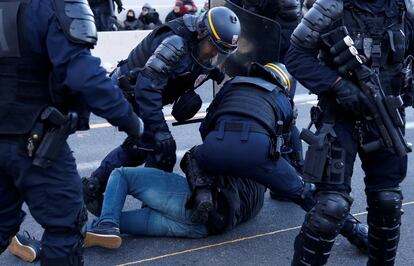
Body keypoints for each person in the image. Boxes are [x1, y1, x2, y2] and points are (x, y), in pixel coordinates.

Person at [0, 0, 144, 265]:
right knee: (65, 227)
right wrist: (129, 119)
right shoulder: (51, 5)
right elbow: (82, 75)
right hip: (35, 141)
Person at [285, 0, 414, 264]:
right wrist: (338, 85)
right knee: (330, 207)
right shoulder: (330, 8)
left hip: (386, 116)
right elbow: (296, 57)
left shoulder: (406, 9)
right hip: (338, 118)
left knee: (388, 201)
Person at [82, 6, 241, 217]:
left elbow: (213, 71)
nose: (214, 54)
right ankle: (140, 202)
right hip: (128, 93)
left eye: (221, 52)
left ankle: (100, 187)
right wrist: (159, 130)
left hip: (147, 94)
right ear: (201, 33)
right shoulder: (175, 43)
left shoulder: (205, 50)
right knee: (159, 148)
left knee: (143, 147)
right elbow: (146, 89)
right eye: (212, 47)